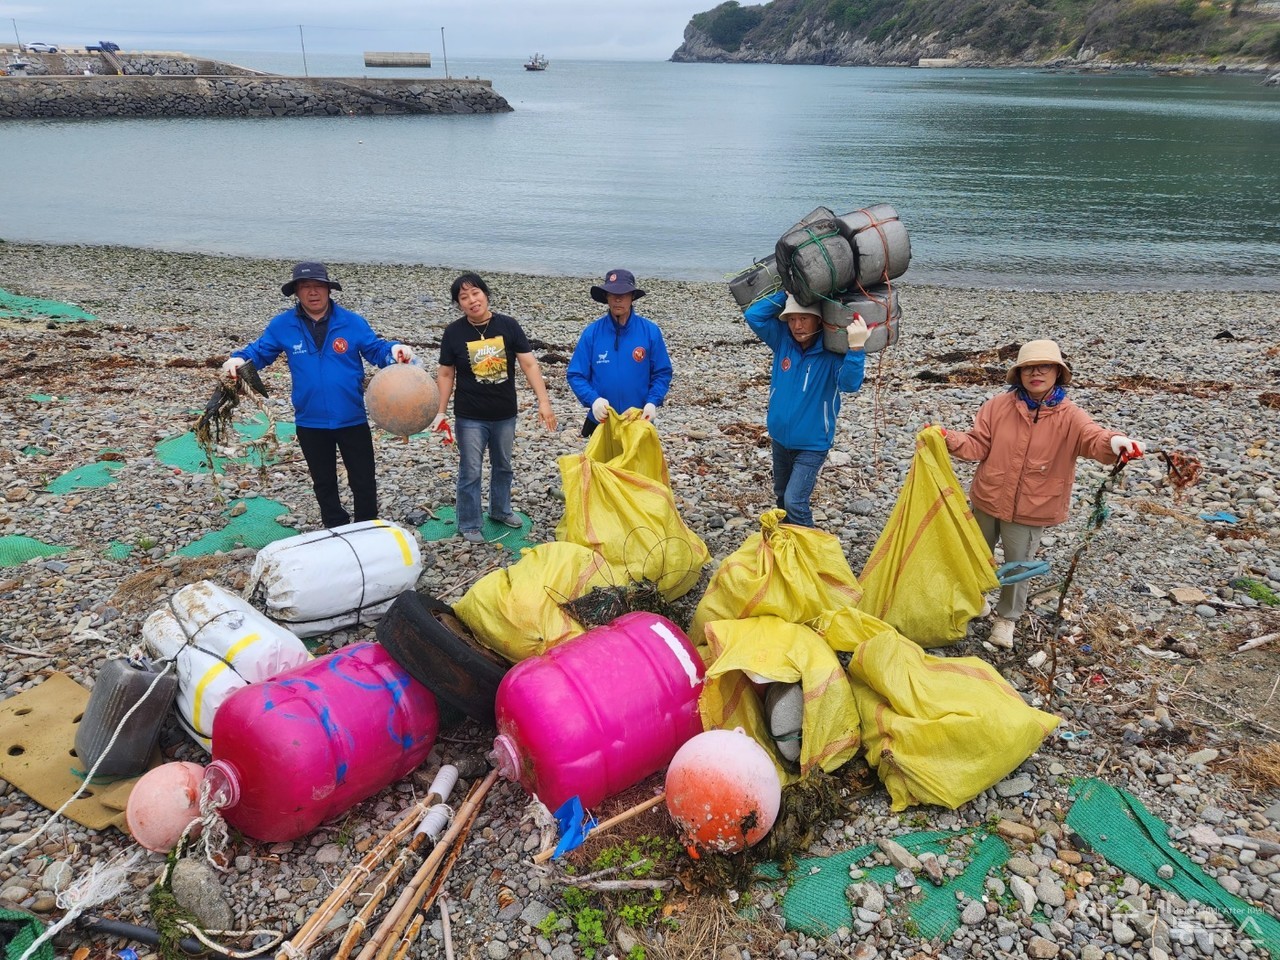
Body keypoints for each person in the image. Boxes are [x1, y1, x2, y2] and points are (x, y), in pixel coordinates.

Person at [942, 339, 1145, 649]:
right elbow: (977, 445)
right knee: (974, 555)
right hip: (988, 497)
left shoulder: (1071, 415)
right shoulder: (997, 406)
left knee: (1018, 564)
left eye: (1044, 366)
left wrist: (1115, 443)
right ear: (1019, 374)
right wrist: (948, 439)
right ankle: (974, 601)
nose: (1035, 373)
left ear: (1058, 372)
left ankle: (1006, 618)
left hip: (1032, 508)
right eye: (1027, 368)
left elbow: (1094, 439)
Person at [221, 261, 415, 529]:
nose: (313, 292)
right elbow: (260, 352)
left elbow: (376, 350)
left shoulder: (352, 322)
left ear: (328, 290)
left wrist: (395, 351)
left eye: (318, 286)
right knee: (323, 481)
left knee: (363, 480)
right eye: (305, 287)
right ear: (297, 293)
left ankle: (367, 527)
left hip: (352, 418)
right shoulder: (283, 325)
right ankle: (335, 527)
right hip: (310, 420)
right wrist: (237, 359)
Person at [433, 272, 558, 544]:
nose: (471, 300)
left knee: (503, 466)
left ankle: (500, 510)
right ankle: (469, 522)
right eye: (463, 297)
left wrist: (544, 402)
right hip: (469, 416)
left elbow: (529, 364)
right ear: (459, 304)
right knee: (470, 470)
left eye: (475, 293)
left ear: (486, 294)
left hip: (504, 414)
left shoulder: (508, 326)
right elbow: (445, 374)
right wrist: (440, 412)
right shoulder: (453, 332)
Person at [744, 288, 868, 527]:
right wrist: (786, 293)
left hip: (812, 444)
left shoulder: (832, 353)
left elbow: (849, 385)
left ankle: (811, 555)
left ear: (819, 320)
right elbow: (753, 315)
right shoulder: (782, 341)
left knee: (795, 502)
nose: (797, 326)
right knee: (781, 495)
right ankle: (787, 547)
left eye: (803, 318)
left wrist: (855, 349)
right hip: (780, 438)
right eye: (791, 319)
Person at [567, 268, 673, 438]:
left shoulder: (650, 332)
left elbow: (662, 373)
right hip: (601, 420)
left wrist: (652, 402)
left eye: (623, 294)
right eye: (612, 294)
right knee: (601, 465)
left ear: (632, 297)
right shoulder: (592, 333)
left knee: (636, 464)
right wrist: (593, 400)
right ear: (606, 297)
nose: (617, 299)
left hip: (639, 420)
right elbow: (575, 374)